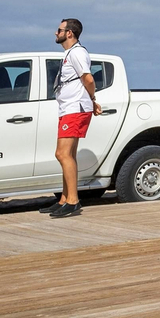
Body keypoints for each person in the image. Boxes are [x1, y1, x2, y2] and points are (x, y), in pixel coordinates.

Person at [47, 18, 100, 218]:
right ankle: (64, 198)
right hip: (69, 108)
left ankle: (73, 201)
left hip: (74, 109)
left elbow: (88, 78)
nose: (55, 33)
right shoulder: (70, 53)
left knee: (62, 154)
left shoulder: (77, 53)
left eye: (59, 30)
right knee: (68, 154)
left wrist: (93, 98)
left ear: (69, 33)